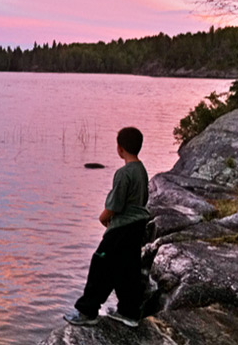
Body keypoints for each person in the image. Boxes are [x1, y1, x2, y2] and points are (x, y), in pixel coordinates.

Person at [63, 126, 150, 328]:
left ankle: (88, 312)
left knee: (100, 265)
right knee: (127, 269)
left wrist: (103, 218)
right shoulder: (141, 170)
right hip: (138, 226)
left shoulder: (124, 173)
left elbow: (115, 205)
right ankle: (129, 312)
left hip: (122, 228)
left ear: (120, 149)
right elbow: (142, 198)